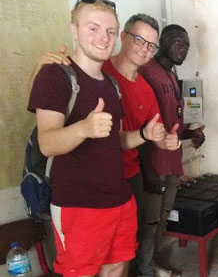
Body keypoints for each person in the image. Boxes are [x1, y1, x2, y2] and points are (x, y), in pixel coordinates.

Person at [31, 14, 183, 276]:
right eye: (139, 39)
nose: (144, 48)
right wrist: (41, 69)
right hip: (80, 198)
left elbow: (128, 137)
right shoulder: (74, 72)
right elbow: (47, 135)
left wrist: (157, 137)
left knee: (118, 261)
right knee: (82, 268)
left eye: (150, 45)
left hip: (122, 188)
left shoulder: (119, 85)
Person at [137, 24, 205, 277]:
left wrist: (192, 134)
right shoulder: (146, 72)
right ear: (162, 42)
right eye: (178, 42)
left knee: (162, 220)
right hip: (154, 164)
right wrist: (147, 169)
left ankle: (151, 266)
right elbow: (140, 124)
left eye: (186, 45)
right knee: (150, 222)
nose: (183, 48)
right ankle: (143, 270)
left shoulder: (172, 76)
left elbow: (171, 123)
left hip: (172, 161)